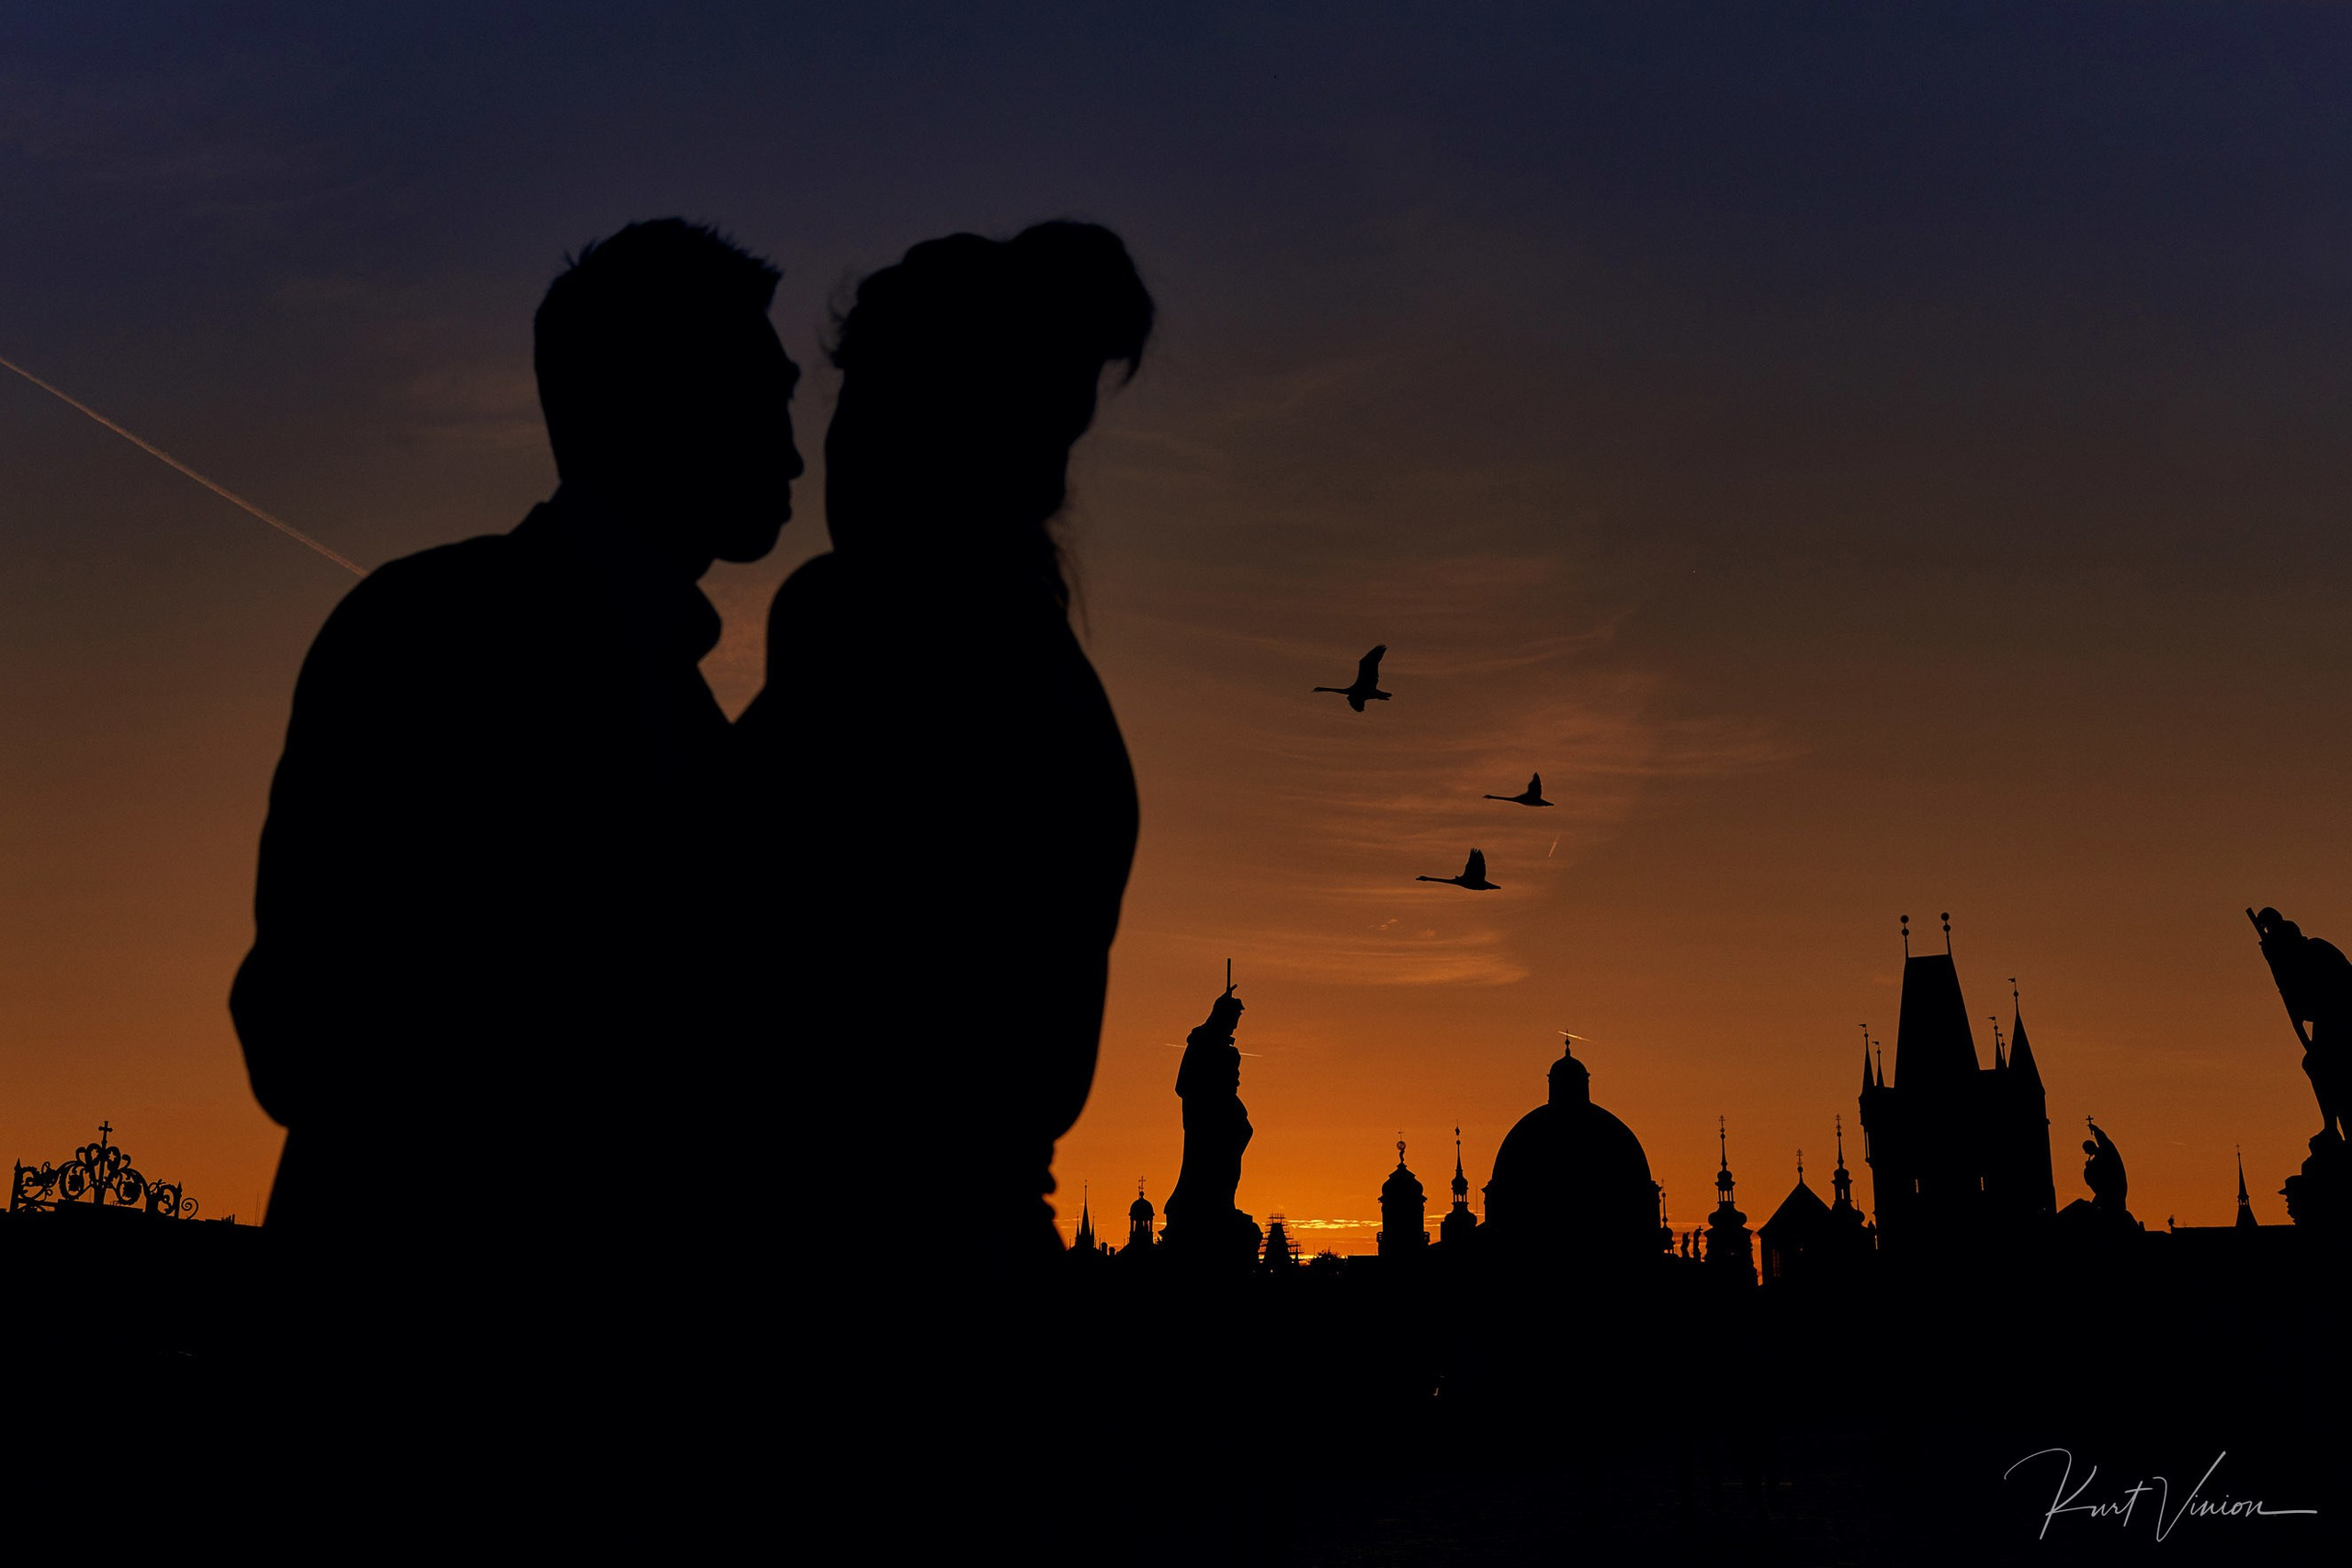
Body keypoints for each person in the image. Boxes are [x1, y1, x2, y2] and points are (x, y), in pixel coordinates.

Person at [230, 220, 803, 1454]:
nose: (796, 449)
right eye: (764, 400)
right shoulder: (440, 633)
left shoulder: (628, 684)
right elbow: (305, 1030)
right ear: (665, 404)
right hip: (441, 1407)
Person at [738, 220, 1152, 1271]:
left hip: (861, 1268)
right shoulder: (1040, 679)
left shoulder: (861, 635)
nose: (826, 448)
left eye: (865, 404)